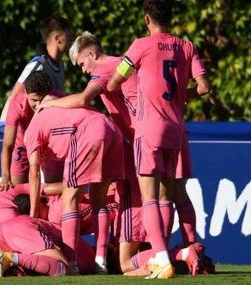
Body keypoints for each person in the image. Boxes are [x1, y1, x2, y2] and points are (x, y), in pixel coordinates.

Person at [107, 0, 211, 279]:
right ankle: (189, 251)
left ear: (146, 20)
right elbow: (204, 87)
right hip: (176, 129)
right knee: (170, 194)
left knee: (150, 196)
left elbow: (113, 83)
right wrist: (180, 96)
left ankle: (162, 258)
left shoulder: (140, 46)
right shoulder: (186, 47)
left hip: (150, 128)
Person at [24, 102, 124, 274]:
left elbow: (33, 173)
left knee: (69, 201)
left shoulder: (30, 132)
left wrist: (32, 214)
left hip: (89, 132)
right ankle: (101, 262)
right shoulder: (58, 113)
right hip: (112, 129)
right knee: (98, 202)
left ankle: (71, 263)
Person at [37, 31, 137, 143]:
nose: (83, 70)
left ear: (92, 55)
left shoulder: (103, 69)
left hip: (142, 133)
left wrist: (51, 102)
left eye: (82, 64)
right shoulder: (118, 61)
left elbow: (82, 99)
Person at [0, 71, 64, 191]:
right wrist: (5, 177)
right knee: (19, 192)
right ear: (26, 93)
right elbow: (7, 145)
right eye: (34, 100)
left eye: (42, 100)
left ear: (49, 93)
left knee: (56, 192)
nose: (38, 105)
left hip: (49, 146)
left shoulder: (59, 98)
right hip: (23, 145)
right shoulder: (17, 105)